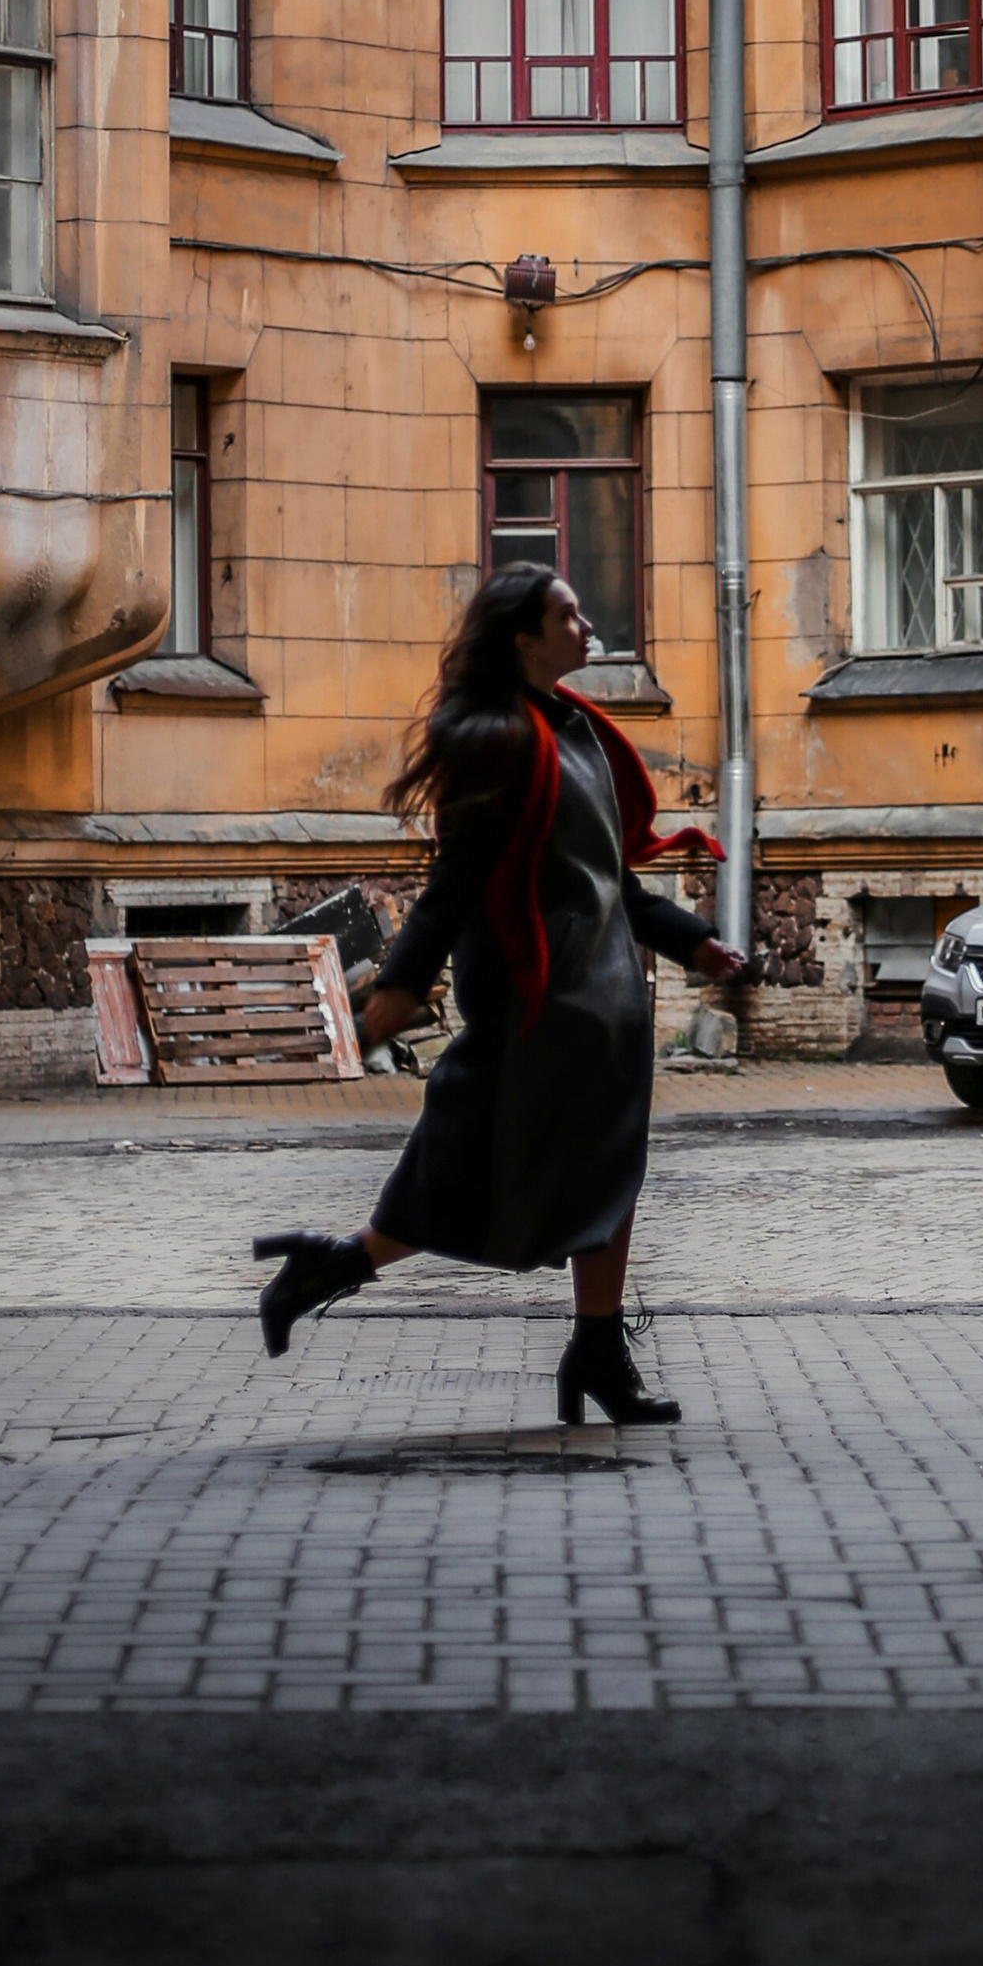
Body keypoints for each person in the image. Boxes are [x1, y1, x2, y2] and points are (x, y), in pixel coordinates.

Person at [251, 565, 749, 1425]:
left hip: (605, 1003)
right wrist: (403, 984)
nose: (586, 626)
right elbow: (458, 878)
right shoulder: (499, 739)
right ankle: (331, 1268)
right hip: (539, 1002)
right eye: (567, 615)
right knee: (469, 1177)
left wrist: (693, 943)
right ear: (522, 636)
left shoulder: (576, 730)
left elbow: (610, 882)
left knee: (604, 1178)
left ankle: (596, 1352)